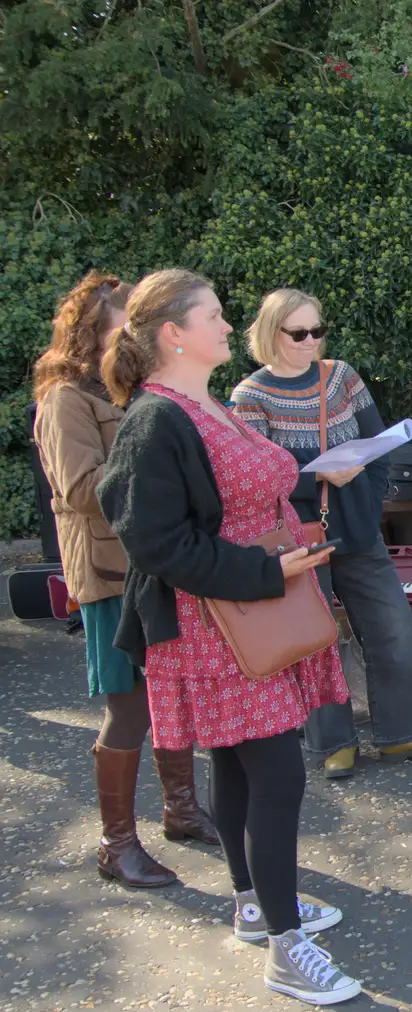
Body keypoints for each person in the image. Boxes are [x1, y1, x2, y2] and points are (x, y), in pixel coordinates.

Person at [97, 269, 360, 1004]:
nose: (225, 324)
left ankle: (254, 904)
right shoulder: (156, 418)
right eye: (211, 316)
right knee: (280, 774)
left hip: (243, 611)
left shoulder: (203, 402)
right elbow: (153, 542)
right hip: (212, 624)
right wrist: (264, 569)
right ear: (172, 334)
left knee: (244, 769)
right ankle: (284, 946)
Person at [32, 271, 218, 889]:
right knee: (130, 706)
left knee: (171, 695)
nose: (133, 337)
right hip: (111, 576)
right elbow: (82, 490)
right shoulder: (65, 399)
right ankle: (116, 846)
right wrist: (152, 462)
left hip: (152, 566)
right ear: (94, 332)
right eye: (122, 326)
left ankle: (182, 811)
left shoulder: (129, 391)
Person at [232, 288, 412, 780]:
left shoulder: (341, 377)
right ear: (272, 334)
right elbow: (253, 477)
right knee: (316, 640)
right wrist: (317, 477)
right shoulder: (250, 397)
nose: (311, 340)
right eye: (299, 333)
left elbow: (378, 446)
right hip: (296, 538)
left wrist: (368, 504)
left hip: (357, 529)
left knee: (391, 626)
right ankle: (333, 742)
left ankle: (405, 733)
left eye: (318, 330)